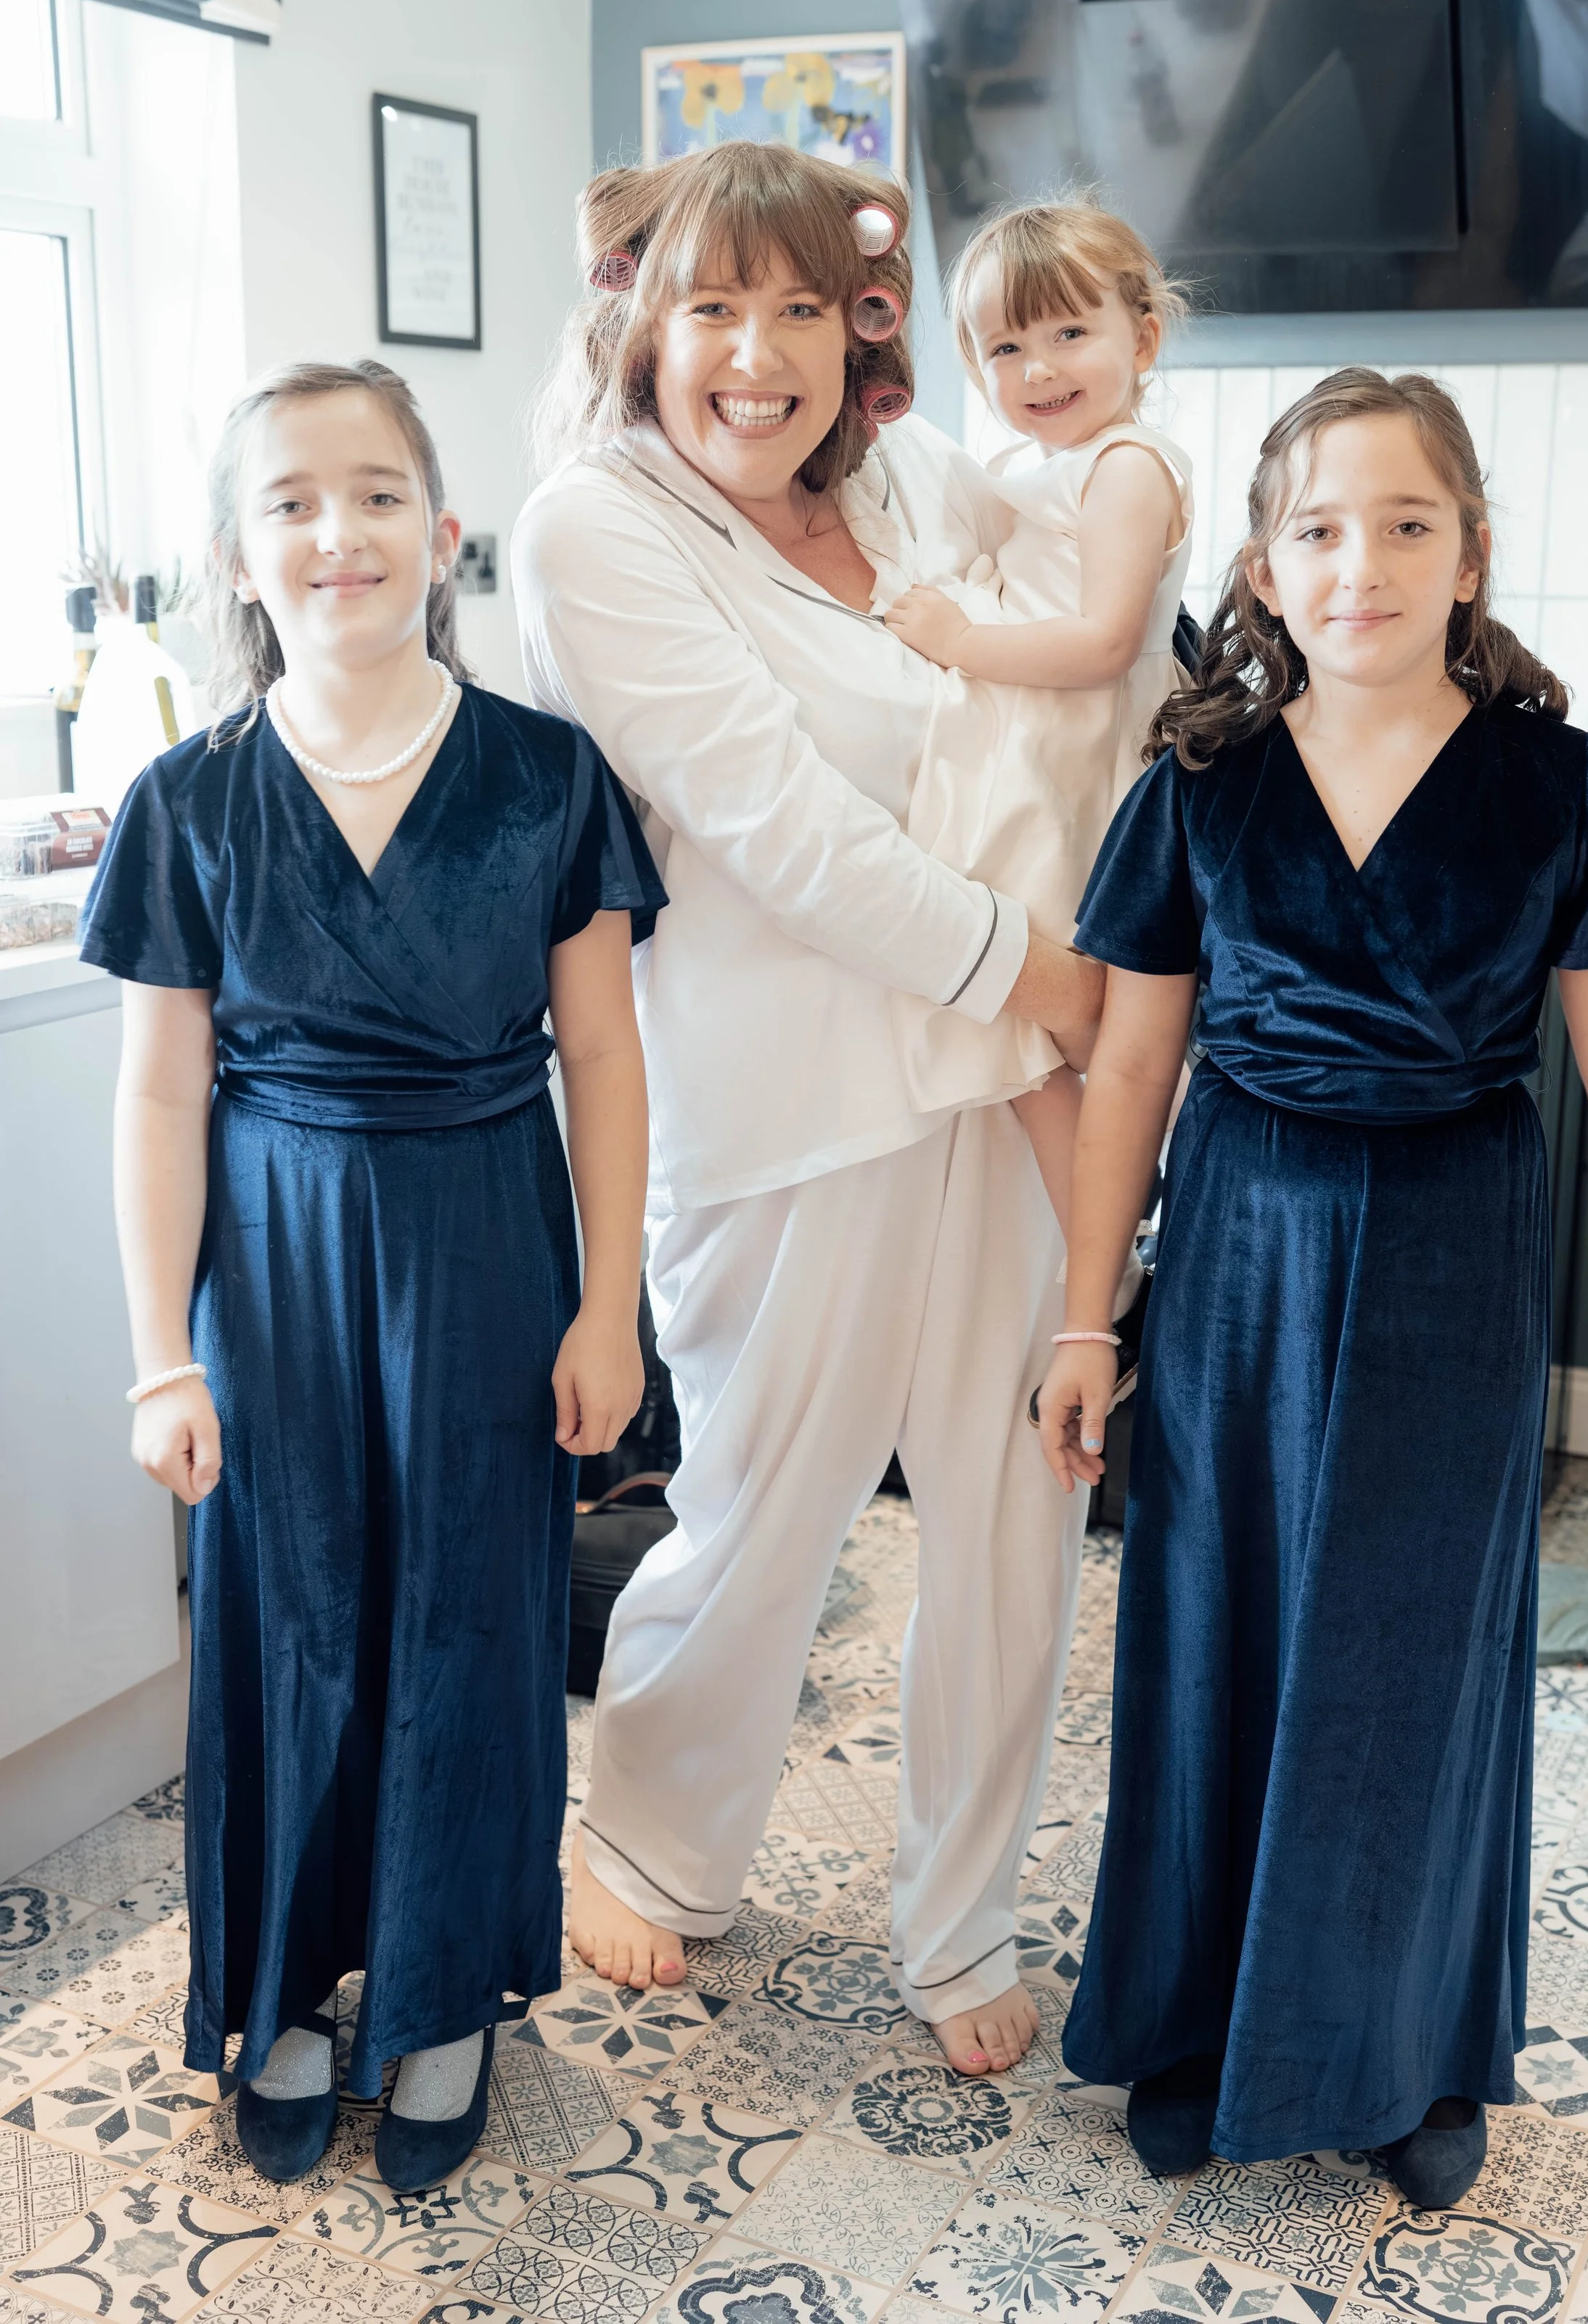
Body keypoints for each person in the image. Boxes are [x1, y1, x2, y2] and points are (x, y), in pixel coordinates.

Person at [1035, 367, 1588, 2198]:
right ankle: (1193, 2017)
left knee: (1415, 1648)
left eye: (1406, 524)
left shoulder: (1563, 788)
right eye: (1319, 529)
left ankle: (1404, 2047)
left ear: (1470, 553)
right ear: (1262, 568)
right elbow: (1125, 1072)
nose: (1361, 564)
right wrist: (1087, 1315)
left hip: (1450, 1247)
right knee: (1216, 1624)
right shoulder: (1201, 785)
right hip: (1241, 1244)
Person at [514, 141, 1102, 2077]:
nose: (753, 356)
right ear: (637, 324)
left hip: (996, 1093)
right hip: (793, 1099)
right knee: (762, 1515)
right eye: (707, 305)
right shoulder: (597, 526)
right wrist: (1054, 981)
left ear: (856, 333)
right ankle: (654, 1840)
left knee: (1019, 1510)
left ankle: (961, 1913)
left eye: (797, 305)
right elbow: (774, 828)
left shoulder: (912, 477)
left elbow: (1091, 625)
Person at [82, 361, 663, 2189]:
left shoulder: (546, 777)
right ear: (240, 558)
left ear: (444, 532)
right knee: (292, 1629)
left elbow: (609, 1062)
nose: (337, 532)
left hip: (489, 1243)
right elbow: (162, 1088)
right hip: (269, 1267)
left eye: (375, 495)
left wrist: (606, 1305)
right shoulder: (185, 800)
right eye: (291, 504)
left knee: (470, 1631)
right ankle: (291, 1990)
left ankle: (439, 1997)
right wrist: (158, 1354)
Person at [883, 200, 1193, 1244]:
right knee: (1026, 1042)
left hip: (1077, 751)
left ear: (1141, 337)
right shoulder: (1028, 470)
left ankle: (1139, 1238)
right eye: (1006, 346)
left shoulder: (1128, 468)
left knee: (1071, 1025)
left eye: (1069, 333)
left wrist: (958, 639)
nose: (1039, 368)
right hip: (1035, 746)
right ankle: (1114, 1251)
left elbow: (1106, 641)